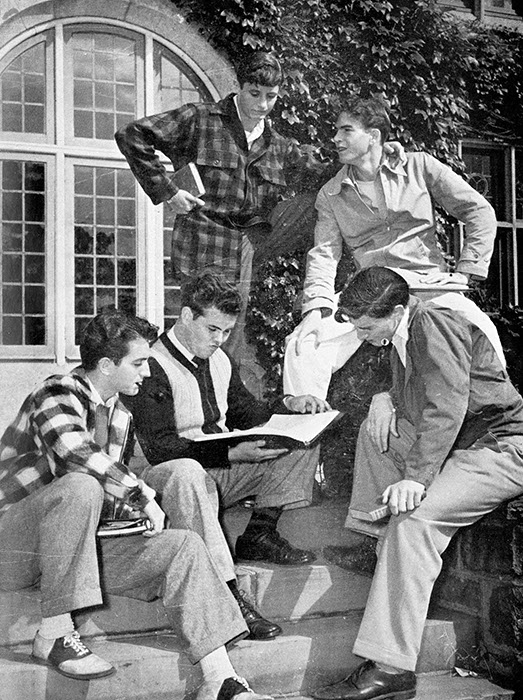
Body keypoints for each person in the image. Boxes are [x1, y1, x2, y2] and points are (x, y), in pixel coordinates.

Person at [0, 309, 271, 700]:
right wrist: (141, 497)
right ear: (107, 365)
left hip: (71, 554)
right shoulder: (56, 392)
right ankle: (56, 632)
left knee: (184, 546)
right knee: (80, 485)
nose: (147, 373)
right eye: (140, 362)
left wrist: (140, 516)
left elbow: (103, 504)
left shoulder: (119, 415)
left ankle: (221, 681)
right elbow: (75, 455)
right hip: (16, 547)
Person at [311, 267, 523, 700]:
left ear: (398, 310)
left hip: (501, 447)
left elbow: (446, 409)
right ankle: (378, 546)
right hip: (465, 444)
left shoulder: (434, 323)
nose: (360, 334)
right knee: (378, 435)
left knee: (414, 522)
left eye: (367, 326)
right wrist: (383, 398)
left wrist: (415, 481)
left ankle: (392, 669)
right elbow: (418, 397)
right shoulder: (402, 334)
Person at [122, 270, 330, 604]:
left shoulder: (218, 357)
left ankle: (259, 534)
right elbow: (160, 447)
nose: (220, 339)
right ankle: (227, 593)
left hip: (218, 468)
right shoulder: (151, 364)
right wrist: (232, 454)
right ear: (187, 316)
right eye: (213, 329)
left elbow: (246, 412)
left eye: (228, 331)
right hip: (169, 478)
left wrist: (291, 406)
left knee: (302, 442)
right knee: (187, 473)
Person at [283, 96, 505, 401]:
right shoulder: (331, 194)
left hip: (426, 285)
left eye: (346, 130)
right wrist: (315, 309)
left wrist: (467, 273)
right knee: (305, 343)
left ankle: (501, 426)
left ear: (373, 136)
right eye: (336, 131)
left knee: (482, 333)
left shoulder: (418, 166)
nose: (335, 138)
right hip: (373, 290)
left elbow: (479, 211)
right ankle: (302, 436)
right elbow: (324, 254)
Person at [115, 51, 326, 363]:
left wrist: (377, 151)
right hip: (203, 242)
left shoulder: (279, 146)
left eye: (271, 97)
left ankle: (222, 408)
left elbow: (325, 173)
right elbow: (131, 135)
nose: (263, 104)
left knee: (232, 343)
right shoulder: (201, 119)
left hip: (248, 248)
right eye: (254, 93)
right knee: (200, 337)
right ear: (239, 86)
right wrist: (168, 190)